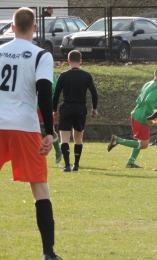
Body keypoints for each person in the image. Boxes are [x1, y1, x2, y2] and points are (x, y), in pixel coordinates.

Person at [0, 7, 62, 260]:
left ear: (12, 28)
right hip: (24, 126)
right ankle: (48, 253)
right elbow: (45, 94)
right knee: (40, 190)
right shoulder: (41, 55)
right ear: (35, 29)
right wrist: (49, 131)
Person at [107, 67, 157, 168]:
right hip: (143, 116)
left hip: (136, 113)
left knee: (140, 141)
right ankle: (118, 140)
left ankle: (130, 162)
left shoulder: (148, 84)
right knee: (144, 144)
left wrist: (156, 106)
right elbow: (148, 102)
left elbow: (142, 100)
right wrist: (152, 115)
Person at [53, 50, 98, 172]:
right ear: (81, 61)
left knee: (64, 137)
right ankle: (76, 164)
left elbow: (56, 94)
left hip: (67, 107)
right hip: (80, 108)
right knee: (78, 138)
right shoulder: (86, 76)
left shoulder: (63, 75)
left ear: (68, 61)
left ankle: (67, 165)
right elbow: (94, 93)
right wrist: (94, 108)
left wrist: (54, 109)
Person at [37, 74, 62, 164]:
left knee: (50, 130)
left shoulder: (50, 74)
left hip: (46, 106)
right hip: (32, 106)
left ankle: (58, 150)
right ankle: (34, 156)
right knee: (33, 130)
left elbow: (54, 88)